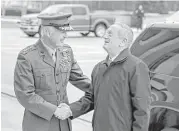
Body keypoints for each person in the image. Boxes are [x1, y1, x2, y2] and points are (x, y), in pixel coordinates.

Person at [61, 23, 152, 131]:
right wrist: (70, 110)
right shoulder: (99, 68)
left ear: (123, 42)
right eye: (106, 33)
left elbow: (142, 110)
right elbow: (91, 99)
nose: (105, 36)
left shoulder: (136, 67)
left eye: (110, 34)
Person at [14, 9, 90, 131]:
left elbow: (80, 79)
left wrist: (103, 88)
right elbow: (25, 95)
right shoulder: (27, 57)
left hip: (63, 124)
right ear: (47, 32)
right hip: (39, 125)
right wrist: (55, 110)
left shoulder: (66, 52)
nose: (66, 35)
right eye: (62, 31)